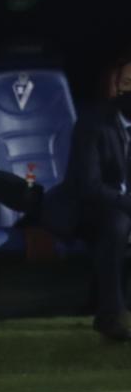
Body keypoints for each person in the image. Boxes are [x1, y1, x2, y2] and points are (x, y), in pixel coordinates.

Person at [42, 53, 131, 341]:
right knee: (116, 223)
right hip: (82, 208)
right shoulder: (93, 124)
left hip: (119, 209)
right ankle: (110, 315)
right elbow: (90, 187)